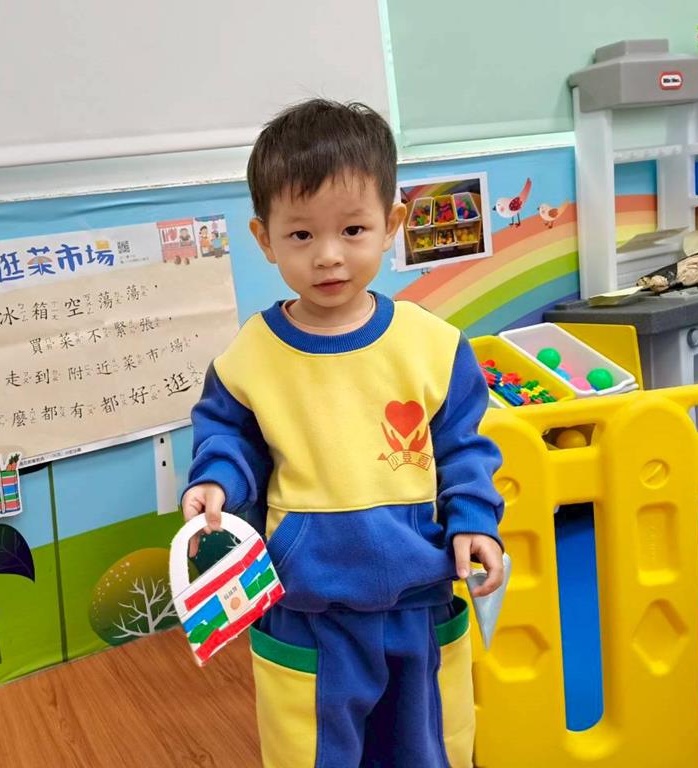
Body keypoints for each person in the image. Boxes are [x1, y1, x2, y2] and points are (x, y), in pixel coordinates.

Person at [181, 99, 505, 768]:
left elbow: (463, 448)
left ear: (391, 225)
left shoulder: (433, 346)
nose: (328, 257)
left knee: (429, 748)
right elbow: (230, 438)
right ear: (264, 239)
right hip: (308, 608)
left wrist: (475, 520)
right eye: (301, 235)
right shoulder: (250, 357)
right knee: (313, 753)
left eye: (353, 229)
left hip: (419, 600)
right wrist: (215, 481)